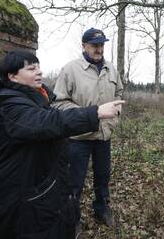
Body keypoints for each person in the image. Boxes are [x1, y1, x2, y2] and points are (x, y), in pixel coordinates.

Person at [0, 50, 124, 239]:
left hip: (39, 193)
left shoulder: (38, 99)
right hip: (16, 200)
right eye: (31, 69)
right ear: (12, 76)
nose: (39, 72)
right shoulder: (9, 106)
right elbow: (48, 122)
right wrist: (95, 113)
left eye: (39, 67)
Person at [53, 28, 123, 228]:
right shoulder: (70, 70)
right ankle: (72, 218)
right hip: (78, 138)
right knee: (74, 181)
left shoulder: (111, 69)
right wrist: (86, 116)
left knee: (103, 178)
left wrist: (114, 117)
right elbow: (58, 103)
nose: (99, 49)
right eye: (94, 45)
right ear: (83, 46)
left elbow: (119, 93)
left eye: (101, 45)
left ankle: (102, 209)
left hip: (103, 136)